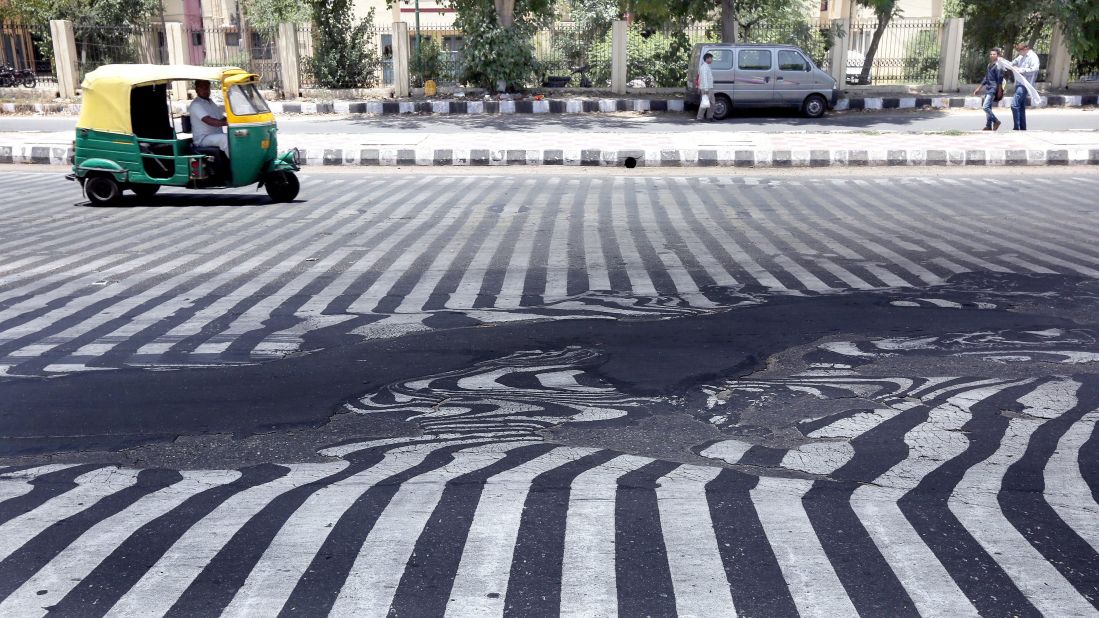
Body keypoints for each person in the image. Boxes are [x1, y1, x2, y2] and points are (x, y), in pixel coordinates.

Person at [189, 79, 229, 156]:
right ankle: (238, 166)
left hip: (215, 135)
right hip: (203, 139)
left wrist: (233, 120)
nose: (206, 90)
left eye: (207, 87)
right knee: (225, 139)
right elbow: (209, 121)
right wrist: (226, 122)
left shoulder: (211, 102)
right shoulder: (196, 104)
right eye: (202, 88)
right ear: (196, 90)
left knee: (235, 136)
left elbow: (222, 117)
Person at [1010, 42, 1040, 130]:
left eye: (1019, 50)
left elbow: (1035, 69)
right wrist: (1003, 62)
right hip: (1019, 83)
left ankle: (1017, 128)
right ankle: (1023, 129)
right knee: (1021, 107)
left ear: (1025, 49)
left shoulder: (1033, 57)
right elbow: (1012, 63)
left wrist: (1021, 70)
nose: (1019, 53)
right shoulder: (1021, 56)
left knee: (1014, 105)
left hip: (1025, 84)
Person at [973, 48, 1003, 131]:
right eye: (991, 54)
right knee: (988, 107)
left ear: (998, 55)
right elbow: (986, 78)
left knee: (985, 107)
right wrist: (979, 88)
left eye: (994, 54)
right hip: (988, 88)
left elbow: (1000, 79)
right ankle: (988, 126)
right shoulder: (989, 65)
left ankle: (996, 121)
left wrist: (999, 90)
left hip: (993, 88)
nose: (992, 55)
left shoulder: (998, 66)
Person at [696, 52, 714, 122]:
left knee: (712, 103)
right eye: (711, 58)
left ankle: (710, 117)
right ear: (707, 59)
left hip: (710, 87)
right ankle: (699, 117)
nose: (712, 60)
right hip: (706, 88)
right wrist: (706, 89)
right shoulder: (704, 67)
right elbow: (704, 78)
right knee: (704, 103)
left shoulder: (707, 66)